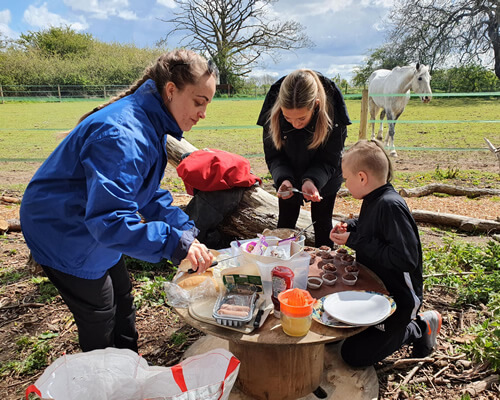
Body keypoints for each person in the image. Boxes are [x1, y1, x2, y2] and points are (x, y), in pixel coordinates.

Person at [20, 49, 217, 353]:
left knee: (122, 297)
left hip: (91, 222)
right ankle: (103, 378)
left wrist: (184, 230)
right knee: (99, 313)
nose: (203, 113)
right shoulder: (124, 134)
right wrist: (173, 244)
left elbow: (144, 193)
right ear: (170, 90)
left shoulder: (150, 123)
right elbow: (110, 221)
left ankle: (128, 369)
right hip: (62, 230)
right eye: (198, 102)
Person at [330, 140, 442, 367]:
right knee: (333, 334)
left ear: (362, 177)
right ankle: (376, 330)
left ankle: (420, 327)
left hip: (399, 300)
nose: (345, 183)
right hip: (376, 291)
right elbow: (370, 227)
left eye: (346, 178)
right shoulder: (373, 199)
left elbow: (405, 259)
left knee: (354, 355)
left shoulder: (390, 205)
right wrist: (350, 226)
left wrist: (354, 240)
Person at [257, 69, 351, 247]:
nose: (295, 125)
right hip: (289, 170)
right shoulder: (273, 111)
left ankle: (324, 269)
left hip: (326, 176)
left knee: (323, 225)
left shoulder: (333, 110)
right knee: (285, 224)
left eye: (301, 118)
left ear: (315, 105)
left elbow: (330, 158)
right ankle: (281, 266)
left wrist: (312, 180)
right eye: (288, 118)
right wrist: (283, 179)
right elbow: (274, 155)